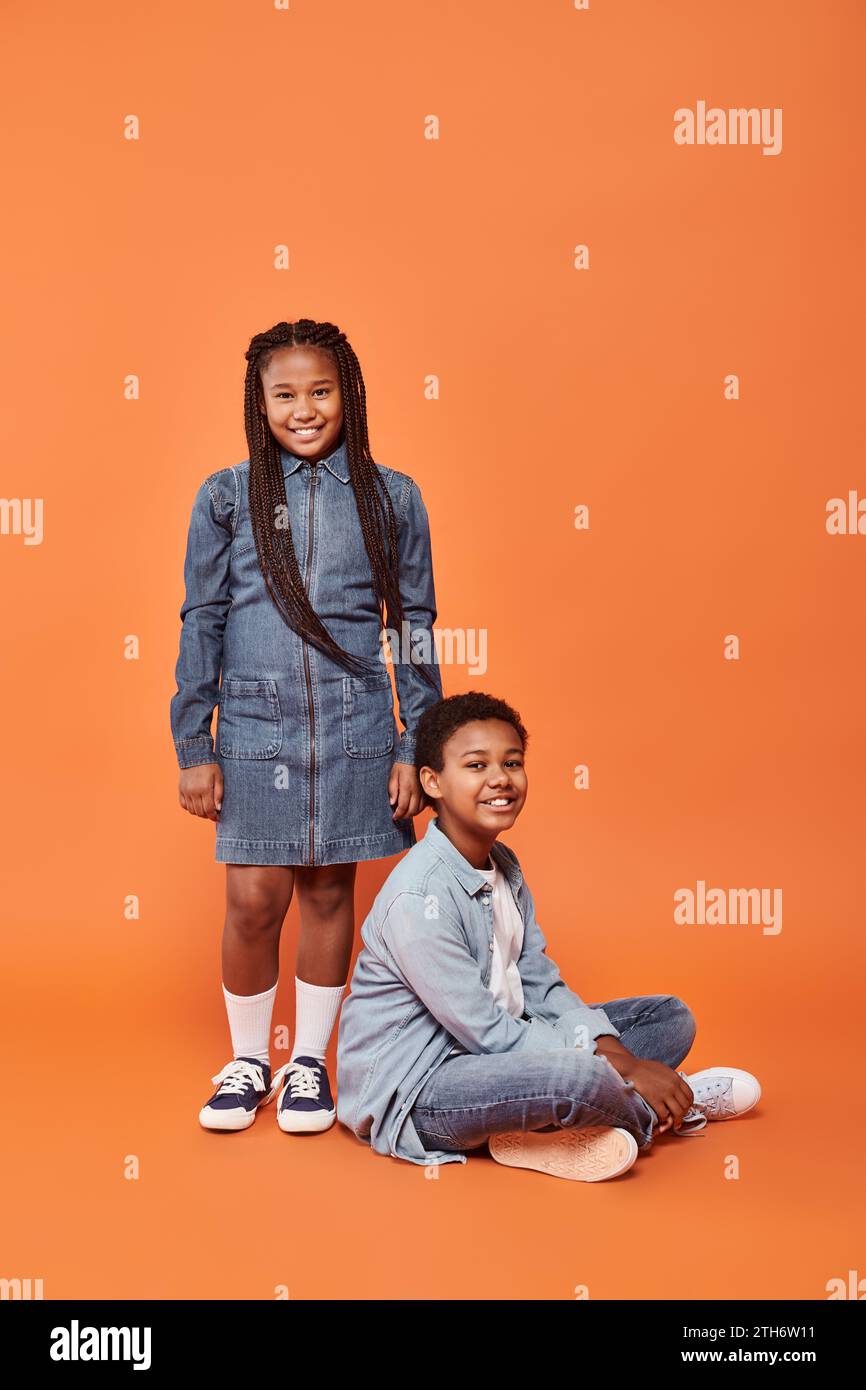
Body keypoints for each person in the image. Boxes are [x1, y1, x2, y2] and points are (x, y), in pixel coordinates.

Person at [169, 317, 442, 1136]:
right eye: (284, 393)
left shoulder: (394, 496)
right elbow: (200, 618)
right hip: (253, 729)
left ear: (348, 396)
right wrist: (194, 744)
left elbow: (415, 623)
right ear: (259, 402)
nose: (305, 408)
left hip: (359, 727)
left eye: (321, 391)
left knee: (329, 893)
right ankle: (249, 1058)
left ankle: (307, 1066)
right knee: (254, 899)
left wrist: (415, 744)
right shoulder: (225, 495)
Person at [336, 692, 761, 1180]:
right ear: (433, 781)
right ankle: (669, 1103)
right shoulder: (419, 896)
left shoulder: (504, 867)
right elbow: (485, 1031)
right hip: (424, 1086)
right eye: (476, 765)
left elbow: (541, 986)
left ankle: (553, 1129)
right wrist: (619, 1066)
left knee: (668, 1017)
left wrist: (612, 1049)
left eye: (512, 762)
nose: (500, 778)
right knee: (575, 1077)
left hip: (502, 1054)